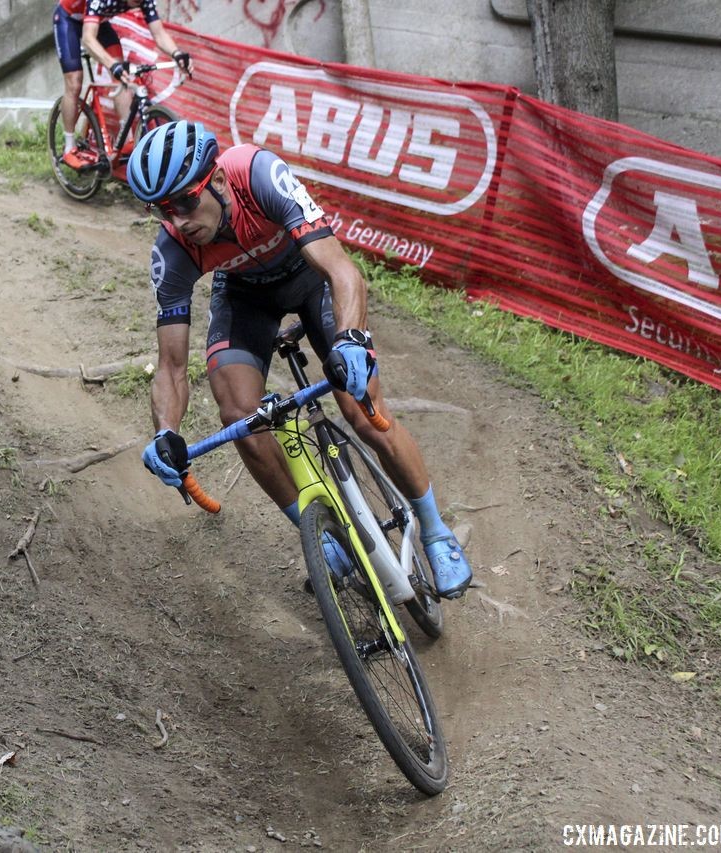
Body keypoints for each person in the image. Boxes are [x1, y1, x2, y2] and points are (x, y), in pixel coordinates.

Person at [128, 121, 473, 599]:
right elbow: (169, 364)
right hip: (245, 297)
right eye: (162, 210)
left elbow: (342, 271)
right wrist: (165, 431)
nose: (179, 219)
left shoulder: (258, 174)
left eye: (185, 200)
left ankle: (435, 531)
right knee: (240, 417)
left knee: (363, 409)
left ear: (220, 182)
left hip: (309, 276)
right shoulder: (172, 248)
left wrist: (352, 339)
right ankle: (324, 536)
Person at [53, 0, 191, 171]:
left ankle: (127, 144)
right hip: (69, 20)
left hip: (99, 22)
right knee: (74, 83)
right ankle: (69, 147)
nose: (136, 3)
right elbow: (88, 39)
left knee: (123, 77)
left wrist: (177, 54)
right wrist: (112, 65)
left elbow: (159, 33)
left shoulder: (144, 0)